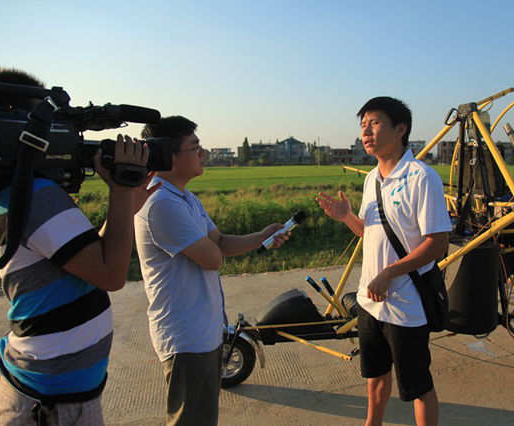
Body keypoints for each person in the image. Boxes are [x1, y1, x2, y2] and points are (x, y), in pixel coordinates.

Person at [0, 67, 160, 424]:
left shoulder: (11, 193)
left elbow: (86, 259)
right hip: (51, 397)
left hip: (47, 385)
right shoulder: (37, 196)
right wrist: (121, 191)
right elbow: (110, 274)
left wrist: (125, 203)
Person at [134, 116, 289, 426]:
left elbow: (219, 242)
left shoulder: (184, 197)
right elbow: (213, 258)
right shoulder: (161, 203)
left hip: (203, 332)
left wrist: (262, 236)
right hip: (185, 337)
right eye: (195, 147)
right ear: (169, 155)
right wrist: (215, 247)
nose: (202, 153)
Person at [316, 96, 450, 426]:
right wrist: (347, 217)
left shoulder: (422, 177)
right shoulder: (371, 178)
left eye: (374, 123)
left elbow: (438, 243)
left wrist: (390, 273)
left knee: (418, 387)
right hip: (369, 300)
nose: (366, 132)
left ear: (400, 128)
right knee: (375, 378)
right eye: (363, 126)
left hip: (406, 305)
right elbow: (370, 232)